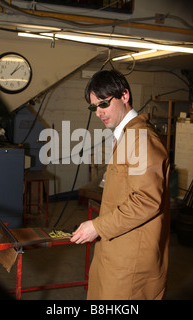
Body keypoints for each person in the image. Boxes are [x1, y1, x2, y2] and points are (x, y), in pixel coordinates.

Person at [70, 69, 170, 300]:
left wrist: (97, 227)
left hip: (131, 259)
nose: (98, 112)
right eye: (94, 107)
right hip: (117, 246)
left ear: (124, 96)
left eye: (103, 104)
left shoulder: (140, 139)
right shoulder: (126, 135)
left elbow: (146, 201)